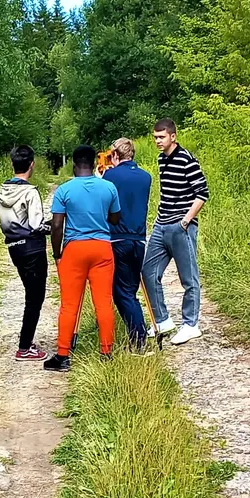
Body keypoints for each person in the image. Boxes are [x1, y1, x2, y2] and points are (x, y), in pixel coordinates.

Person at [44, 144, 121, 372]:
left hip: (74, 250)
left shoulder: (64, 190)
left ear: (75, 164)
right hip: (102, 249)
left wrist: (57, 253)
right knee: (103, 302)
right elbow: (116, 219)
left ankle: (62, 356)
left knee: (69, 305)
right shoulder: (108, 187)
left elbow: (57, 225)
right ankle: (106, 352)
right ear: (94, 163)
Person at [142, 118, 209, 345]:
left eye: (161, 137)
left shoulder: (186, 160)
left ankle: (191, 324)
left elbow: (202, 193)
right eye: (155, 138)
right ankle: (162, 320)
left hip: (181, 226)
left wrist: (186, 221)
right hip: (162, 224)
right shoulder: (162, 159)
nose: (158, 141)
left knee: (189, 278)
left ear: (173, 136)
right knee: (148, 271)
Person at [0, 145, 50, 361]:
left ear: (12, 164)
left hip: (14, 249)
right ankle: (24, 347)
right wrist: (54, 227)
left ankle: (26, 342)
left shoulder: (1, 192)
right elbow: (36, 224)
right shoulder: (30, 192)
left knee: (30, 294)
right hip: (33, 249)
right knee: (35, 297)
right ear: (31, 165)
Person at [102, 137, 152, 352]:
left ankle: (138, 337)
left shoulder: (110, 175)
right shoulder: (145, 177)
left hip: (117, 237)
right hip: (139, 239)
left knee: (121, 293)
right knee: (130, 289)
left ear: (115, 155)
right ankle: (138, 331)